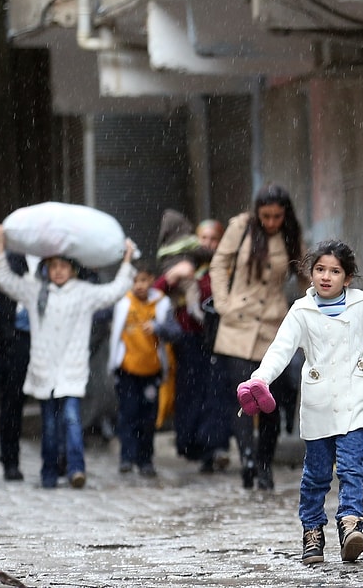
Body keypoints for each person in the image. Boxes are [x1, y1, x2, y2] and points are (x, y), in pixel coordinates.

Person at [235, 240, 363, 565]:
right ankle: (312, 531)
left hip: (355, 400)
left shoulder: (361, 303)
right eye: (320, 269)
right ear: (311, 273)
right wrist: (260, 379)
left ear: (347, 277)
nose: (326, 276)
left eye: (334, 271)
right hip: (318, 403)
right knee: (317, 475)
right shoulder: (301, 311)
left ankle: (350, 524)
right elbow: (281, 349)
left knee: (352, 467)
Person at [0, 225, 135, 488]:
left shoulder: (83, 293)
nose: (58, 271)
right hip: (44, 369)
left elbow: (114, 291)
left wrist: (126, 260)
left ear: (73, 269)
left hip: (72, 368)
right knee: (48, 424)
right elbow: (6, 280)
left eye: (63, 266)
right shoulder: (35, 291)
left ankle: (76, 468)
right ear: (46, 268)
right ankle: (49, 472)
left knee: (71, 418)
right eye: (53, 266)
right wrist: (1, 247)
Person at [210, 184, 304, 491]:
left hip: (272, 327)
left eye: (277, 216)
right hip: (237, 324)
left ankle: (265, 464)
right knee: (243, 397)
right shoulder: (241, 227)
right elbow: (219, 263)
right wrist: (223, 303)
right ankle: (247, 459)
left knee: (269, 400)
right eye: (266, 216)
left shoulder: (291, 234)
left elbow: (305, 274)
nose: (271, 222)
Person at [153, 209, 229, 473]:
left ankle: (214, 448)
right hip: (187, 339)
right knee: (189, 392)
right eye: (203, 238)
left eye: (213, 239)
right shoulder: (182, 261)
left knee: (216, 393)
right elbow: (153, 294)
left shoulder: (223, 269)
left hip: (219, 337)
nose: (208, 243)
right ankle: (190, 444)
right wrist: (172, 277)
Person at [108, 258, 178, 478]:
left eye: (144, 280)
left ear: (152, 281)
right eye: (135, 280)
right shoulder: (123, 304)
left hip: (152, 371)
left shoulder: (162, 304)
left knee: (148, 418)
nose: (139, 285)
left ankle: (145, 459)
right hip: (127, 370)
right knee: (127, 413)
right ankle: (127, 457)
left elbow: (175, 332)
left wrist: (158, 327)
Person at [0, 252, 34, 481]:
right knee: (12, 402)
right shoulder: (11, 258)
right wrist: (3, 339)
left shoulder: (55, 256)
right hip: (13, 342)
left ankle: (59, 462)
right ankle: (10, 459)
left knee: (57, 402)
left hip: (48, 341)